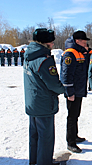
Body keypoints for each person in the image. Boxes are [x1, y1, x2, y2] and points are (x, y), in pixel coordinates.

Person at [23, 28, 65, 165]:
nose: (53, 44)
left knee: (34, 136)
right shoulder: (44, 60)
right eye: (51, 42)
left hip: (32, 103)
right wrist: (64, 89)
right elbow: (53, 84)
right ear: (44, 43)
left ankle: (35, 161)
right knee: (45, 137)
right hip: (43, 104)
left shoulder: (29, 55)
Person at [60, 30, 90, 153]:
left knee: (76, 115)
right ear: (77, 41)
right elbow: (66, 75)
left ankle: (75, 136)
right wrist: (69, 92)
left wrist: (87, 52)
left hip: (78, 90)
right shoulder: (70, 54)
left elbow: (85, 66)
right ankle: (70, 142)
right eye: (84, 41)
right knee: (72, 117)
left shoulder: (79, 52)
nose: (85, 43)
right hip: (73, 91)